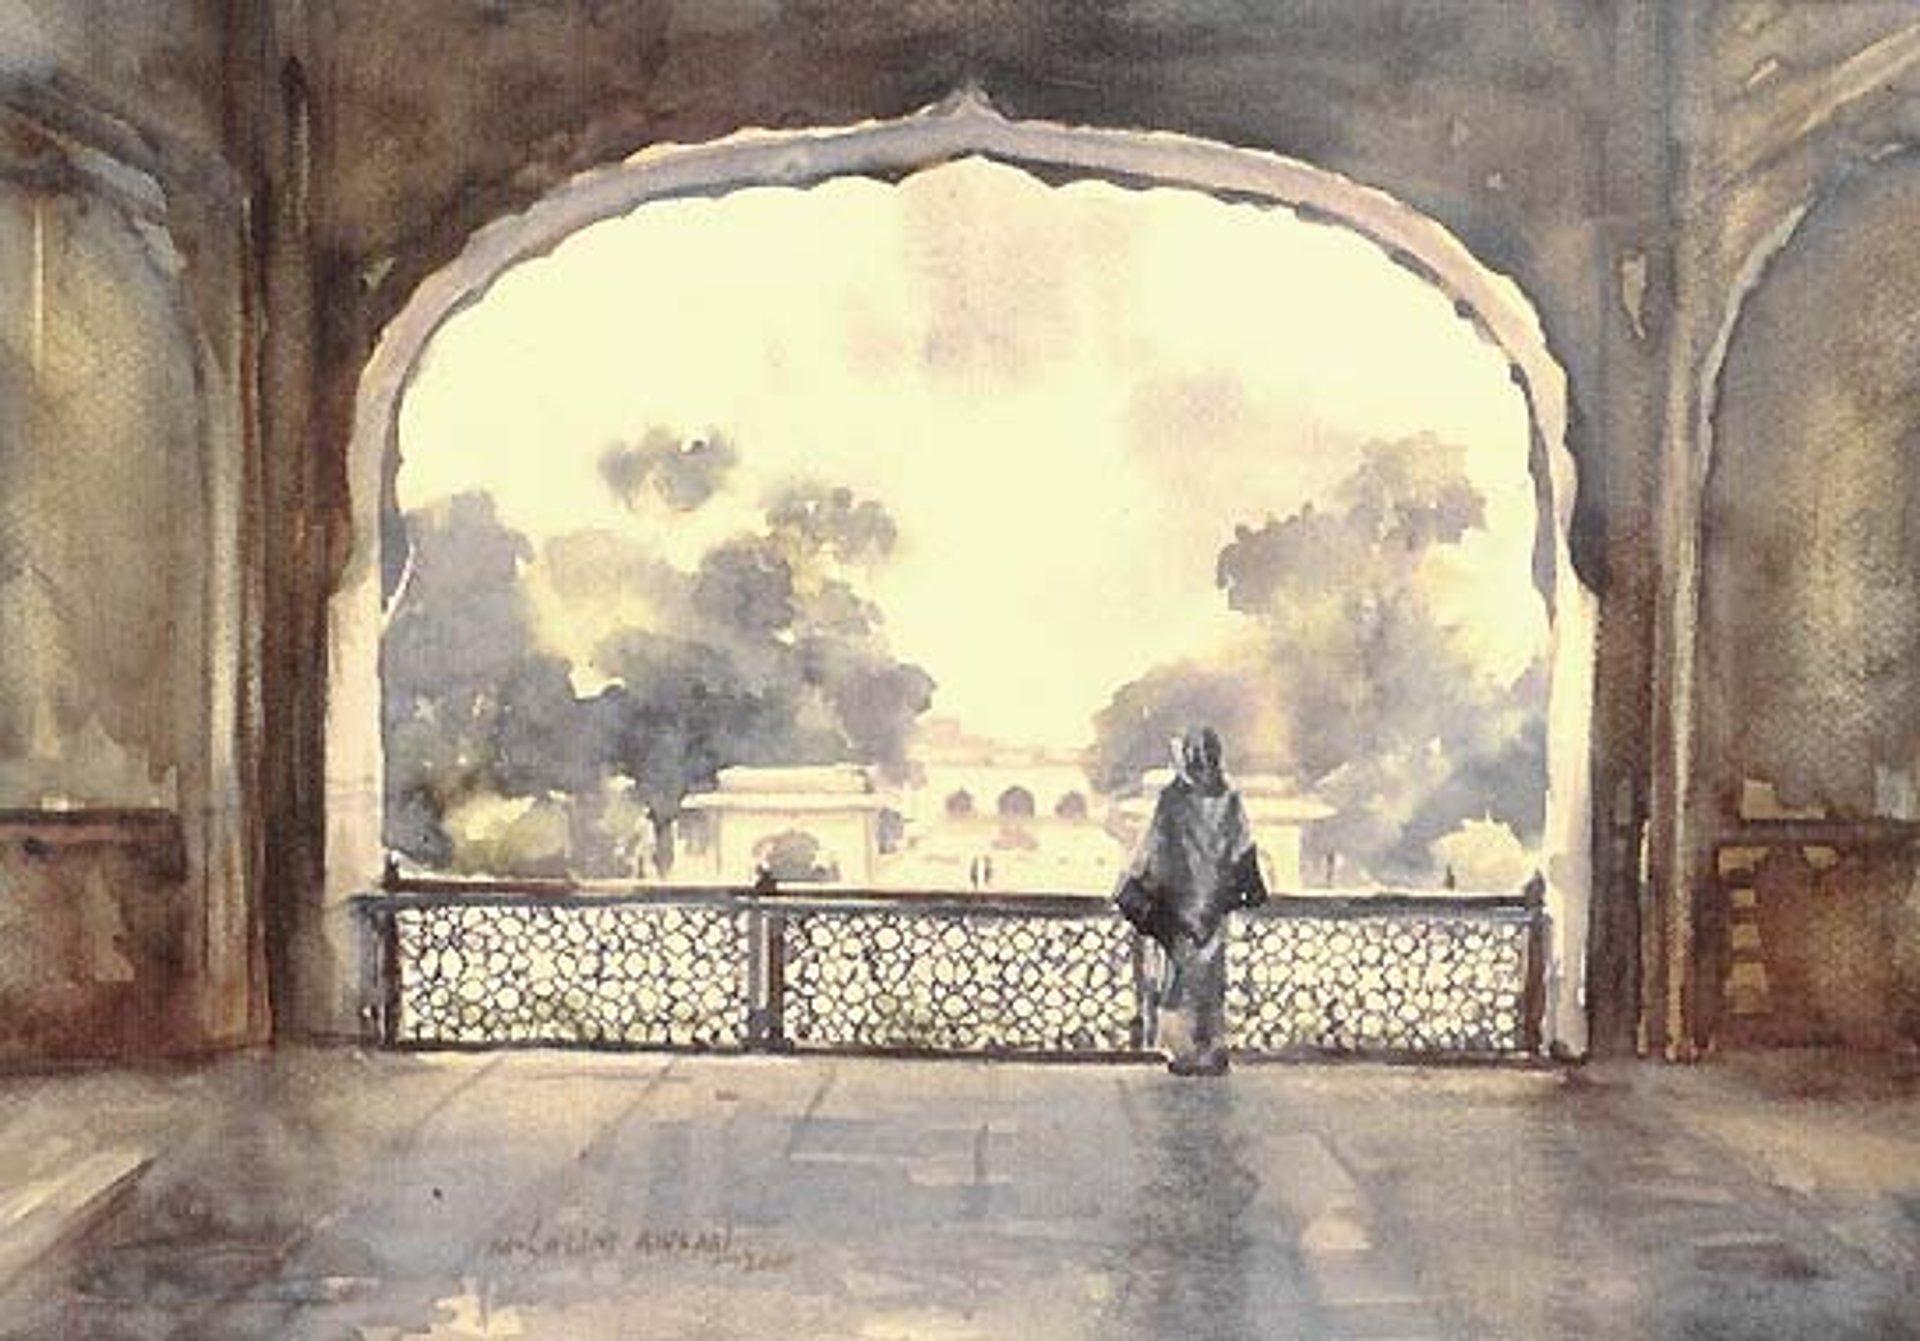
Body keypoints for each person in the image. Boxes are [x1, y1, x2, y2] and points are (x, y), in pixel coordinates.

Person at [1115, 726, 1263, 1075]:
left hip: (1178, 903)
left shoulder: (1172, 799)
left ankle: (1183, 1051)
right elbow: (1242, 846)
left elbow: (1153, 848)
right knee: (1209, 977)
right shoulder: (1230, 799)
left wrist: (1135, 882)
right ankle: (1209, 1049)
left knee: (1179, 976)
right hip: (1214, 903)